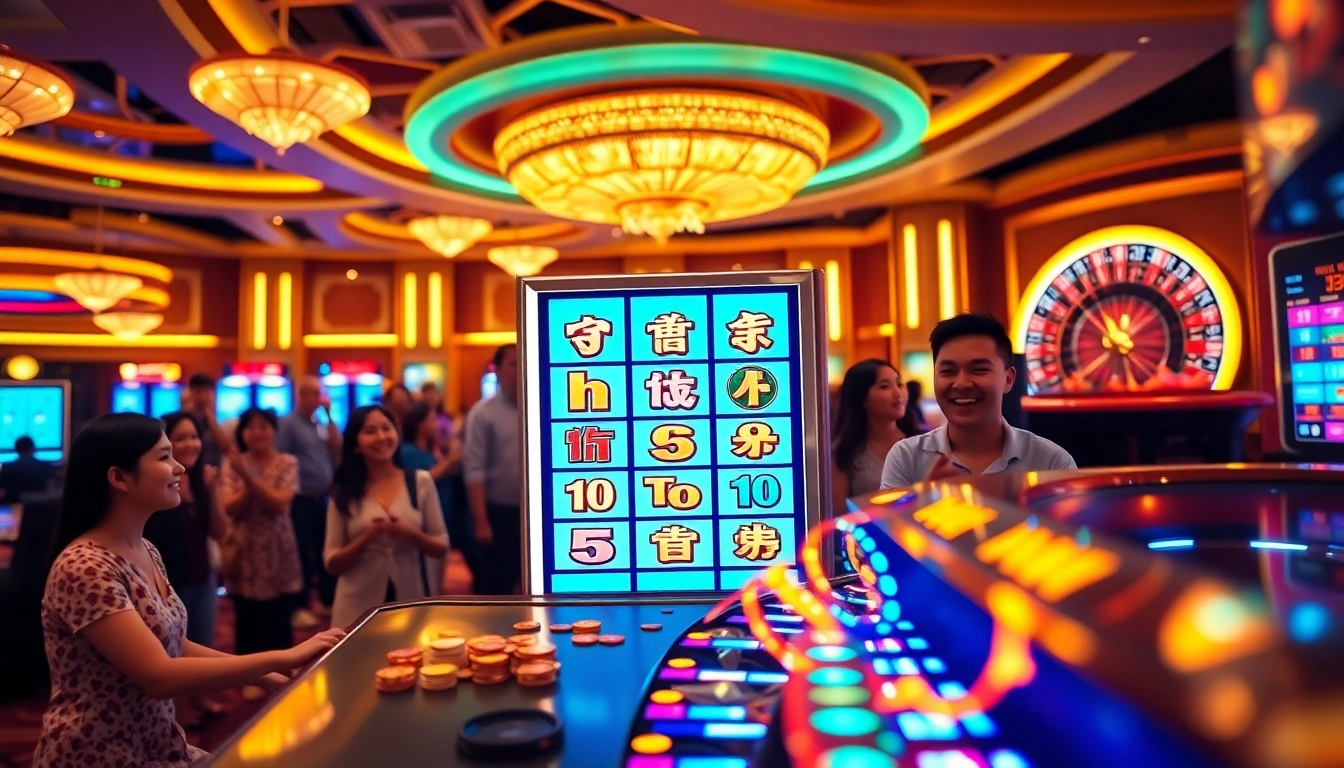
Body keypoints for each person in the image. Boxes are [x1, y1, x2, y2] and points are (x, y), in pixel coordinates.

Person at [34, 413, 343, 768]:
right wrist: (285, 657)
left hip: (157, 743)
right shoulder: (84, 568)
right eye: (165, 457)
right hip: (98, 753)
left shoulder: (145, 549)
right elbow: (159, 676)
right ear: (119, 477)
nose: (180, 467)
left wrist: (273, 679)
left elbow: (175, 644)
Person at [880, 313, 1075, 489]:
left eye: (979, 369)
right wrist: (924, 505)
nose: (962, 383)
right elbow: (887, 528)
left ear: (1008, 379)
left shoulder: (1051, 462)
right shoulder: (907, 458)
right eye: (948, 371)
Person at [142, 413, 230, 728]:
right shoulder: (158, 485)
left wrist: (214, 489)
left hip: (202, 576)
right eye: (181, 438)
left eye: (194, 436)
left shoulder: (203, 480)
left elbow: (221, 532)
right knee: (172, 646)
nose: (190, 444)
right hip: (168, 580)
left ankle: (200, 698)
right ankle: (179, 713)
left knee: (202, 642)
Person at [324, 406, 448, 628]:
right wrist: (366, 538)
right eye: (370, 431)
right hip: (356, 605)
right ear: (356, 444)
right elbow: (331, 562)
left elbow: (441, 545)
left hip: (410, 600)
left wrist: (410, 533)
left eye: (386, 428)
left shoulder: (420, 482)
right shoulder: (343, 491)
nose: (381, 437)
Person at [219, 407, 303, 701]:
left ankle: (282, 673)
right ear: (242, 433)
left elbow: (279, 503)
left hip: (277, 547)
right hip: (245, 549)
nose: (257, 433)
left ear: (273, 431)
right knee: (247, 615)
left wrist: (248, 480)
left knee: (279, 612)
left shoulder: (287, 462)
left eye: (263, 426)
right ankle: (252, 676)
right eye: (250, 427)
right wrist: (247, 483)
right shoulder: (232, 464)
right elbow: (229, 507)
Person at [274, 376, 341, 629]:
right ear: (300, 396)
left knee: (324, 550)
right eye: (312, 393)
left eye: (319, 393)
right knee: (300, 553)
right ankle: (299, 606)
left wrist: (329, 415)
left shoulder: (318, 424)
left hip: (321, 498)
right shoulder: (289, 424)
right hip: (299, 500)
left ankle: (326, 599)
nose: (318, 398)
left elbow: (338, 448)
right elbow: (281, 458)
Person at [462, 343, 522, 594]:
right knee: (499, 586)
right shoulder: (483, 413)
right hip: (499, 513)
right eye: (513, 364)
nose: (519, 369)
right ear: (496, 370)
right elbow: (474, 468)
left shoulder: (544, 406)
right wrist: (482, 521)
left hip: (538, 511)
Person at [831, 359, 925, 513]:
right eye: (884, 386)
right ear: (861, 398)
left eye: (900, 384)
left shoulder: (924, 443)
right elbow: (839, 515)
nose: (897, 393)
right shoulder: (844, 453)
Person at [185, 373, 230, 469]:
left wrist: (210, 417)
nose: (202, 397)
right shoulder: (184, 419)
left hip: (214, 472)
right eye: (198, 392)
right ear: (191, 393)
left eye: (207, 392)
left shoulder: (221, 420)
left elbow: (226, 448)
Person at [0, 435, 53, 501]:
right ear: (33, 448)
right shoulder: (47, 466)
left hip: (15, 507)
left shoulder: (7, 467)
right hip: (42, 507)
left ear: (16, 449)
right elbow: (52, 491)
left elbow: (2, 491)